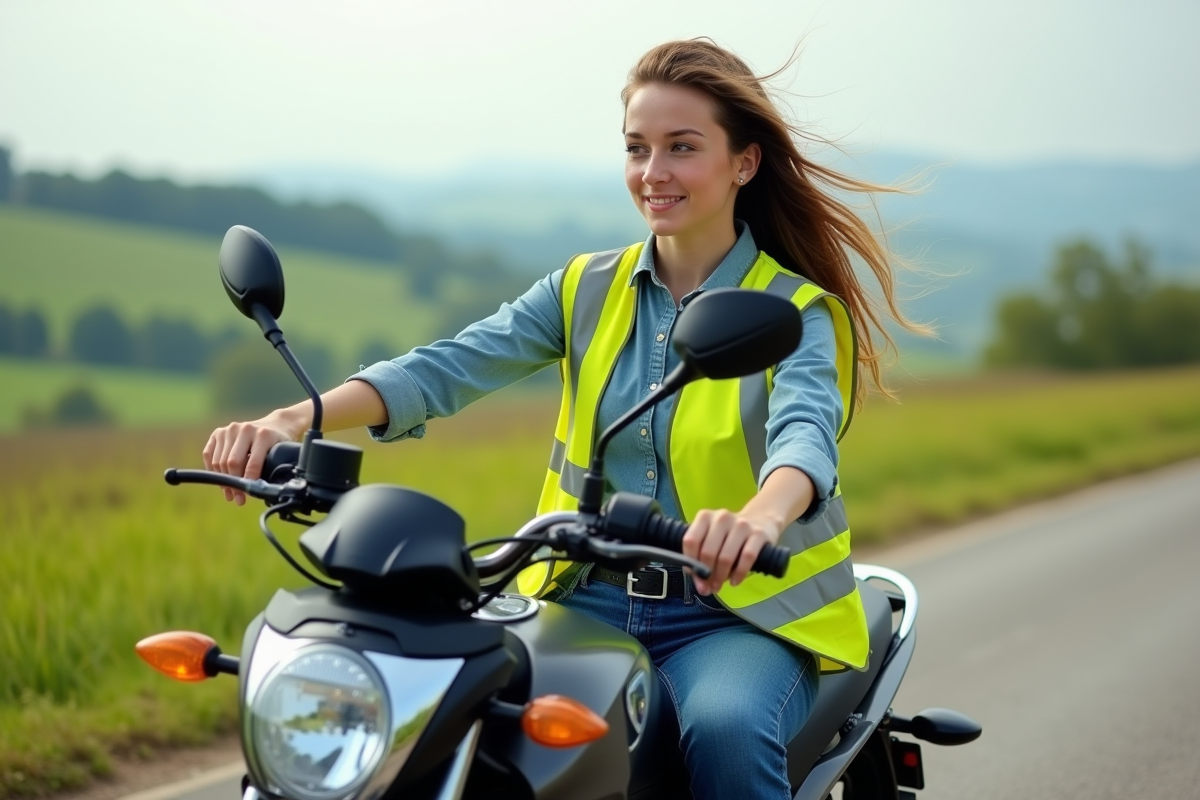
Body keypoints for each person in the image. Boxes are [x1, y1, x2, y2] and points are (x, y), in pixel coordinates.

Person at [204, 38, 921, 800]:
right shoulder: (585, 287)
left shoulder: (799, 312)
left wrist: (758, 520)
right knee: (473, 717)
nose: (654, 172)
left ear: (743, 163)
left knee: (726, 731)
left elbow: (804, 439)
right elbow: (445, 366)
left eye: (682, 147)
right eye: (638, 149)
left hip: (736, 616)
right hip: (583, 594)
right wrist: (291, 418)